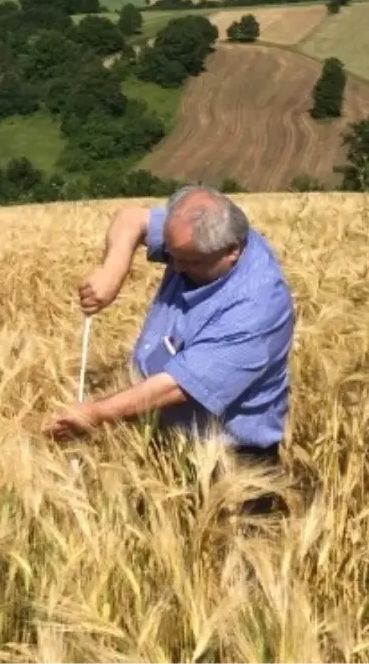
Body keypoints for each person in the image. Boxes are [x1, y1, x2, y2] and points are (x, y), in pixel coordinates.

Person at [43, 185, 294, 512]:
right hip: (166, 445)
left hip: (232, 461)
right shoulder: (198, 233)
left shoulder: (256, 308)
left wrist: (95, 414)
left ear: (232, 250)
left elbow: (177, 387)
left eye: (188, 261)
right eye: (172, 255)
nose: (173, 267)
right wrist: (114, 270)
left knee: (228, 557)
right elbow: (132, 219)